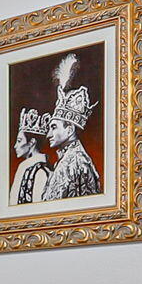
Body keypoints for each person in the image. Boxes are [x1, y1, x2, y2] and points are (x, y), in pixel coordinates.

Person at [42, 53, 101, 200]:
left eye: (54, 127)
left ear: (69, 129)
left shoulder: (77, 162)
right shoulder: (66, 160)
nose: (48, 134)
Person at [10, 127, 52, 205]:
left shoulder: (41, 171)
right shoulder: (25, 168)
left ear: (32, 142)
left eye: (19, 141)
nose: (15, 146)